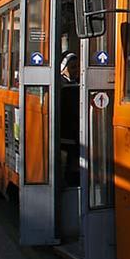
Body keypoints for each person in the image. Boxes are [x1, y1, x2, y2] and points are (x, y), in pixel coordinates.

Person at [59, 50, 80, 186]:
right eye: (72, 67)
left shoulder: (79, 83)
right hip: (64, 135)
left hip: (76, 133)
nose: (76, 70)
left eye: (77, 66)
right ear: (64, 68)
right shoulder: (59, 85)